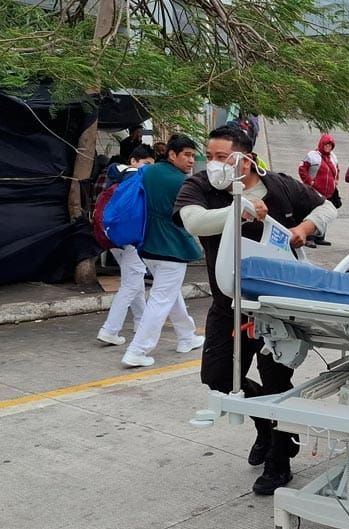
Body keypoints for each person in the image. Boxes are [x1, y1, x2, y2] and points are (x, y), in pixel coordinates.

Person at [174, 126, 336, 495]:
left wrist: (304, 227)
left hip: (275, 309)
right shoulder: (201, 187)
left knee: (276, 381)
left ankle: (281, 458)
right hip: (228, 306)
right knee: (218, 378)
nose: (212, 164)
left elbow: (327, 205)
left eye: (221, 157)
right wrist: (238, 208)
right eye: (209, 156)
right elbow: (194, 221)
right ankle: (267, 426)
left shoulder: (279, 186)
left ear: (246, 158)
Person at [121, 134, 205, 368]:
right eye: (187, 155)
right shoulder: (181, 182)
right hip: (172, 247)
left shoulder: (148, 171)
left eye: (193, 156)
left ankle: (186, 336)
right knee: (161, 298)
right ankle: (137, 350)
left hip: (148, 245)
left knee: (169, 293)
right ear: (172, 154)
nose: (191, 160)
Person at [96, 144, 155, 346]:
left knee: (134, 279)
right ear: (133, 161)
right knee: (131, 283)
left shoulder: (112, 175)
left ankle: (141, 321)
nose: (147, 169)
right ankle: (110, 329)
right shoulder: (134, 178)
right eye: (146, 164)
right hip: (131, 238)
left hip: (112, 236)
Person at [298, 133, 339, 245]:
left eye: (330, 145)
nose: (328, 147)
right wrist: (309, 182)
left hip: (328, 192)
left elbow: (337, 170)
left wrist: (336, 181)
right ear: (322, 144)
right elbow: (302, 168)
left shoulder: (333, 157)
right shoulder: (312, 155)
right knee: (313, 212)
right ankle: (309, 237)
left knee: (324, 213)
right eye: (326, 144)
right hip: (314, 191)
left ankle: (320, 236)